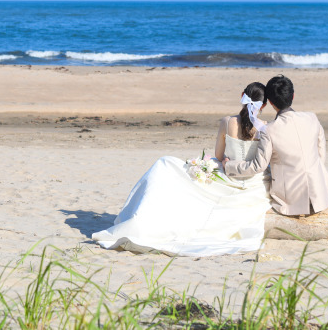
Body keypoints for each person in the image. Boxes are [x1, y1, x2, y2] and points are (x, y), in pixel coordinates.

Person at [91, 82, 272, 257]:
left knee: (166, 163)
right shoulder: (265, 128)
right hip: (252, 182)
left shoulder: (227, 121)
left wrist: (224, 162)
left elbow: (218, 154)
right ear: (264, 105)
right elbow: (262, 161)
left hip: (228, 173)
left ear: (242, 97)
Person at [223, 75, 328, 216]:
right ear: (293, 96)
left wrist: (228, 165)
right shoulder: (312, 118)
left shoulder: (269, 130)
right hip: (320, 194)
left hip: (291, 201)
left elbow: (258, 166)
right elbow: (321, 154)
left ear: (270, 102)